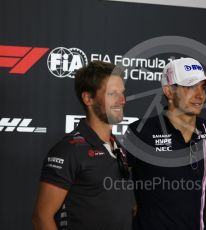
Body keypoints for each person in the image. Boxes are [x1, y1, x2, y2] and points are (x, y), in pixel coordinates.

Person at [122, 57, 206, 230]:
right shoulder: (141, 130)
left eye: (202, 87)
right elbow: (120, 182)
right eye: (191, 87)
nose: (200, 95)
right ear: (169, 91)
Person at [32, 61, 133, 230]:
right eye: (112, 93)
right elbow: (41, 218)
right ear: (88, 98)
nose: (122, 100)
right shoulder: (68, 150)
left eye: (122, 93)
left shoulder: (118, 148)